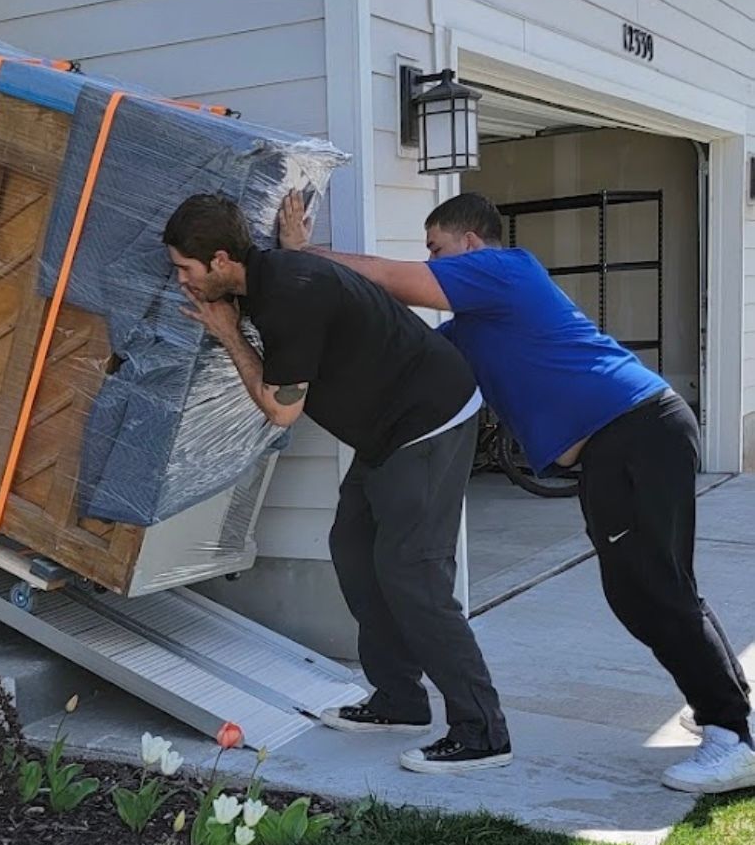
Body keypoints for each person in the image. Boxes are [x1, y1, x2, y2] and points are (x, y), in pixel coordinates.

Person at [279, 186, 752, 795]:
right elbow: (399, 350)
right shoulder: (473, 332)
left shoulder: (506, 270)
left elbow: (389, 278)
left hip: (637, 428)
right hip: (621, 440)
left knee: (654, 588)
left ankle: (732, 736)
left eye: (437, 249)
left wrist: (300, 255)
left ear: (470, 244)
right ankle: (724, 706)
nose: (433, 262)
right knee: (644, 588)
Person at [163, 192, 512, 774]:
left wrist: (229, 334)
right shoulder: (273, 274)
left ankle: (482, 731)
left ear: (221, 261)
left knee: (414, 573)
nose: (183, 282)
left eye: (185, 269)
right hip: (387, 430)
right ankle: (399, 698)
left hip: (429, 418)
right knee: (352, 548)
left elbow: (280, 410)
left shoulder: (285, 296)